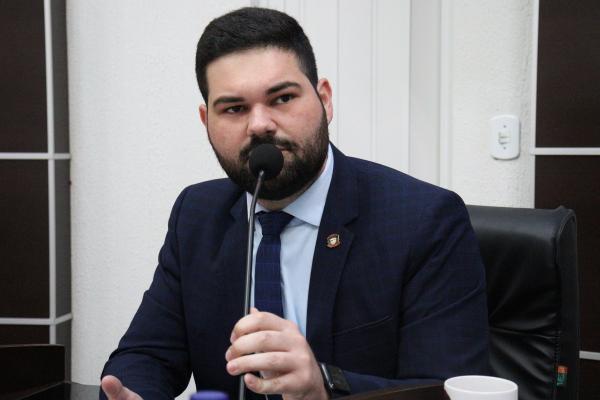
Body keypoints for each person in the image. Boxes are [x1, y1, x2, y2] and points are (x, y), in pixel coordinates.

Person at [100, 7, 489, 400]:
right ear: (206, 122)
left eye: (282, 98)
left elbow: (448, 390)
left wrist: (324, 386)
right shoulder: (196, 214)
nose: (259, 125)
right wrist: (134, 393)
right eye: (234, 108)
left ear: (325, 100)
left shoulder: (423, 220)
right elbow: (145, 355)